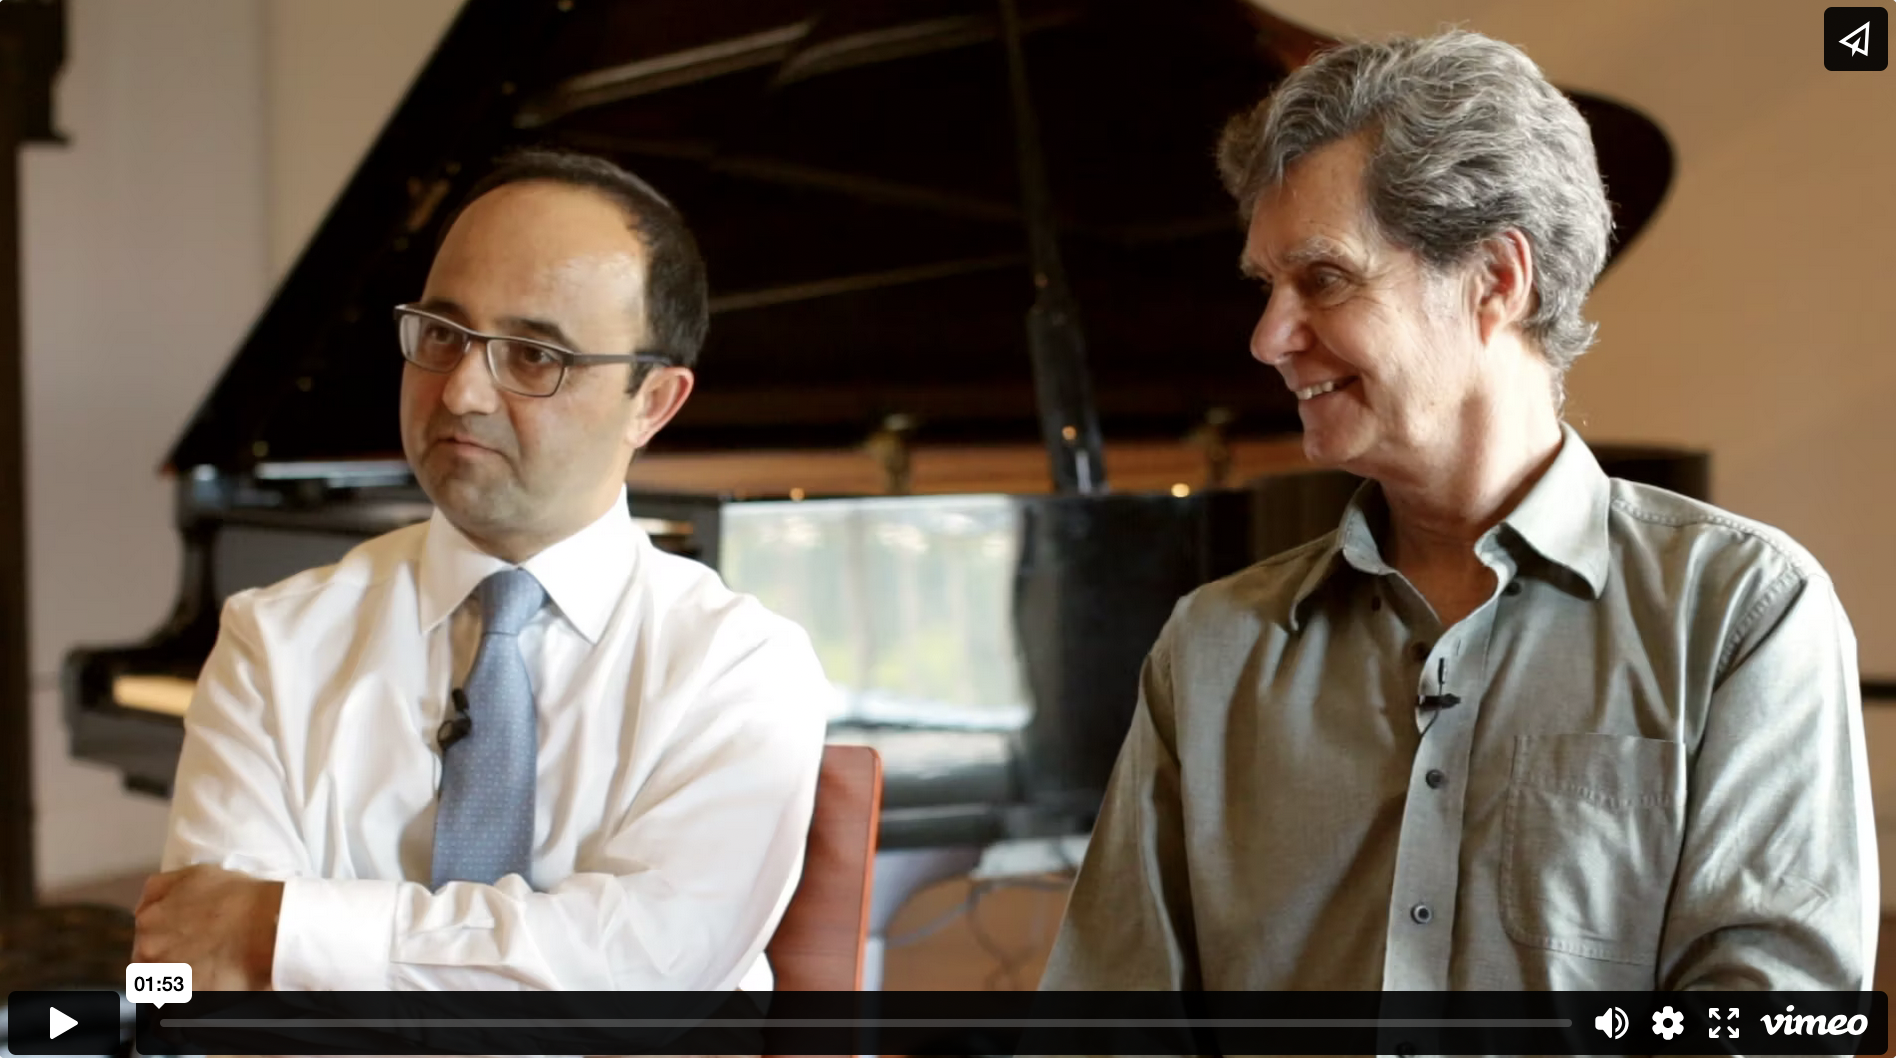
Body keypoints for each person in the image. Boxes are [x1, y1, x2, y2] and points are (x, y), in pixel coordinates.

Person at [1040, 30, 1875, 991]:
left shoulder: (1743, 614)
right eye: (1266, 289)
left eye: (1323, 278)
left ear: (1496, 279)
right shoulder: (1212, 647)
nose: (1269, 338)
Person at [130, 149, 832, 991]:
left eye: (535, 356)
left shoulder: (739, 666)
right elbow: (189, 979)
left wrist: (284, 930)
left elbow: (646, 976)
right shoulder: (272, 640)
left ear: (652, 402)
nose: (461, 390)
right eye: (442, 334)